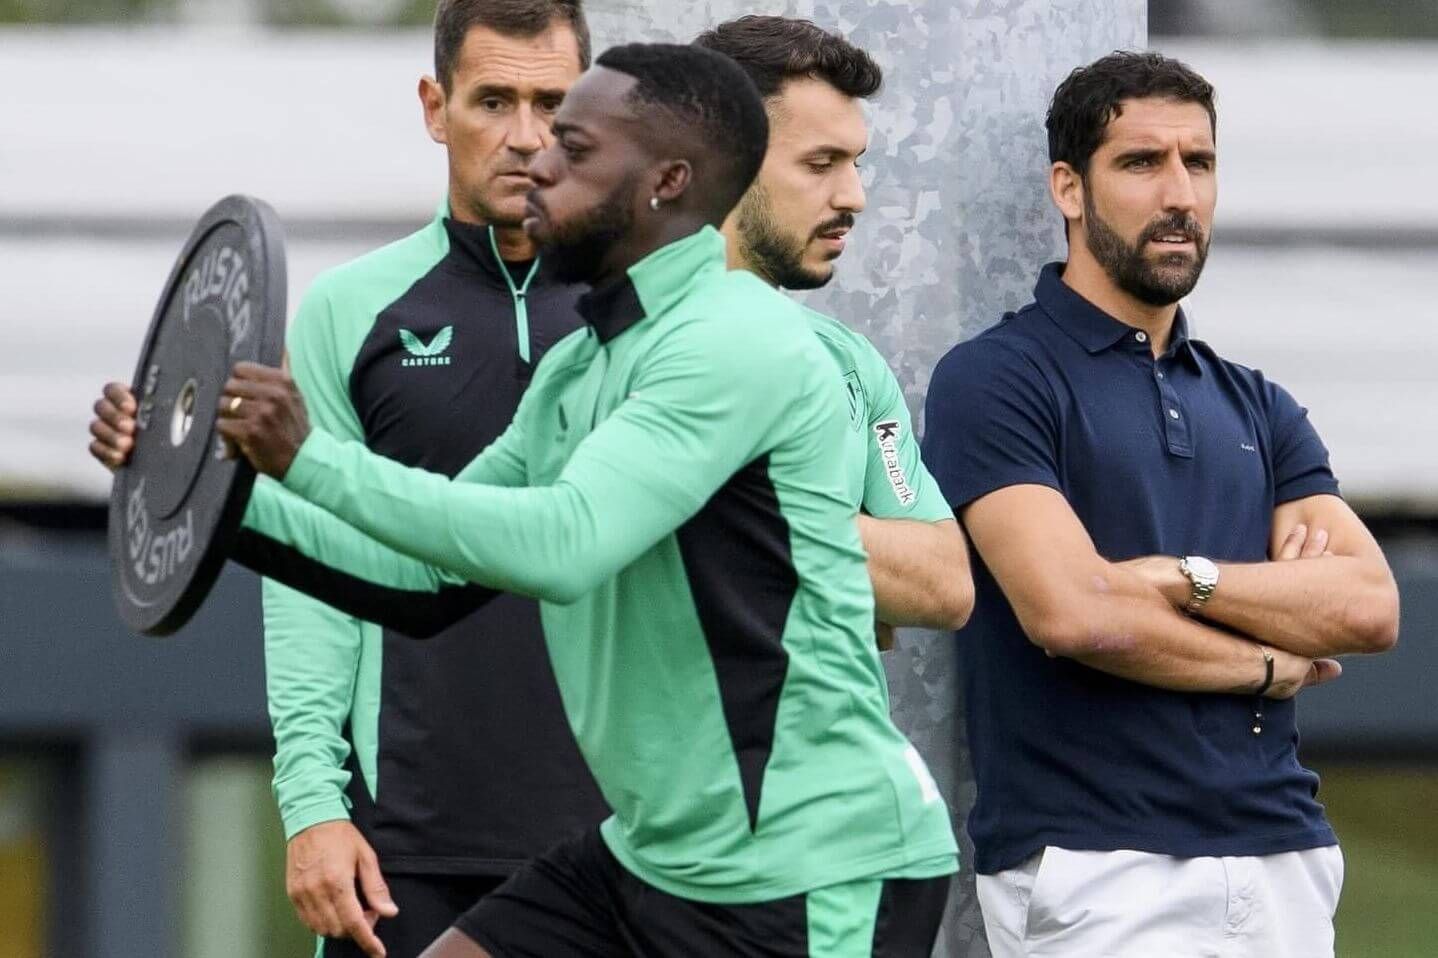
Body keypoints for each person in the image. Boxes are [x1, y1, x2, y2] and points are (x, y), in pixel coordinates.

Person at [217, 42, 959, 957]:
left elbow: (564, 544)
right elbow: (422, 578)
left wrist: (306, 460)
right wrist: (221, 493)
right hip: (653, 854)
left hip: (812, 864)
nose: (537, 159)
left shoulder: (735, 341)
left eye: (573, 148)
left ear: (666, 183)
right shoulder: (579, 366)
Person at [86, 3, 609, 955]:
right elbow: (313, 578)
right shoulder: (346, 310)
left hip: (626, 836)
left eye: (552, 104)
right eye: (494, 101)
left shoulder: (643, 310)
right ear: (435, 106)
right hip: (407, 842)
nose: (526, 136)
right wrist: (312, 806)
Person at [921, 51, 1400, 957]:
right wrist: (1267, 662)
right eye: (1142, 162)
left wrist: (1182, 579)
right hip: (1099, 866)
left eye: (1200, 162)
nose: (1180, 194)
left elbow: (1368, 606)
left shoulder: (1257, 403)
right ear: (1070, 188)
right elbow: (1073, 614)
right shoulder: (996, 379)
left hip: (1285, 856)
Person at [695, 15, 972, 644]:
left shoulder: (847, 360)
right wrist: (855, 564)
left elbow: (944, 582)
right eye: (821, 164)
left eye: (854, 163)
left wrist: (749, 512)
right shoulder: (614, 345)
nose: (854, 196)